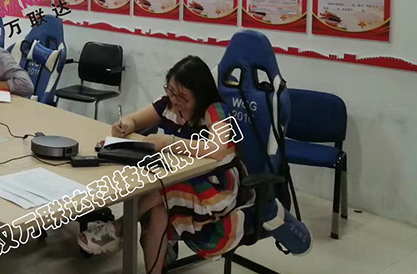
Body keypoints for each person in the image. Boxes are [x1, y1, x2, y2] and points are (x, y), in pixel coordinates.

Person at [77, 56, 311, 273]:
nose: (175, 100)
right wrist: (126, 124)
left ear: (200, 94)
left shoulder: (215, 110)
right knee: (157, 208)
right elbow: (135, 119)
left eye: (183, 97)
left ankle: (118, 228)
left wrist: (169, 142)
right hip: (182, 178)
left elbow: (218, 150)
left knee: (160, 190)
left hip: (216, 188)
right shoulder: (168, 104)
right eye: (171, 91)